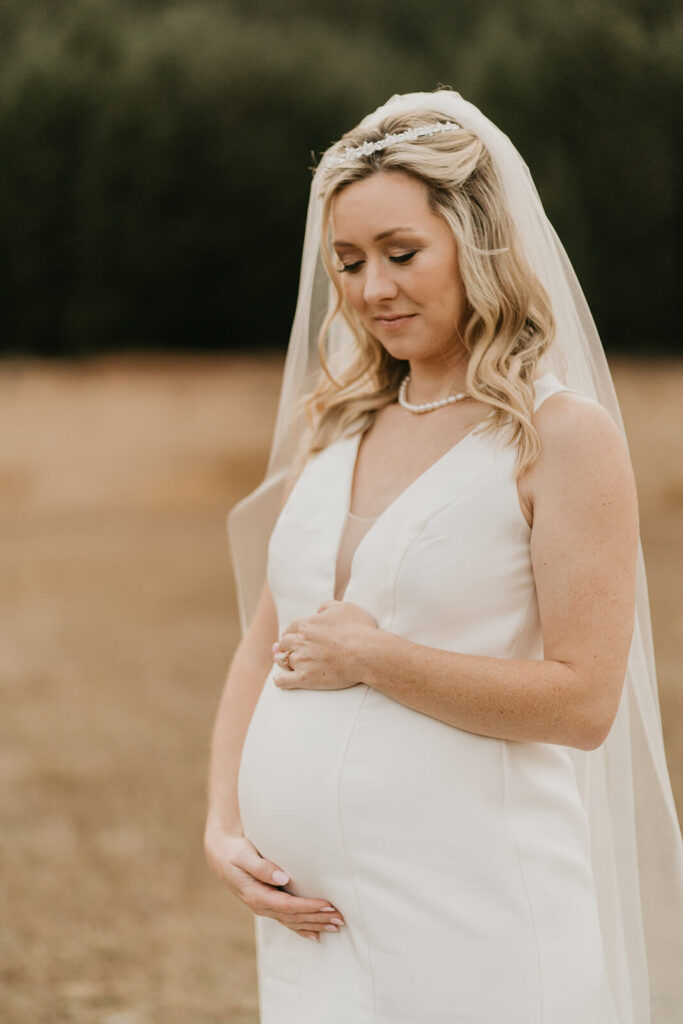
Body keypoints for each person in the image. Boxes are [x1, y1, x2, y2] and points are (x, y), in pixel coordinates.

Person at [204, 89, 683, 1023]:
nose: (371, 288)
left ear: (481, 246)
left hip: (476, 920)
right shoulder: (339, 429)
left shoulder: (559, 438)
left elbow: (584, 701)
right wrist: (224, 825)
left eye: (401, 253)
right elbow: (262, 652)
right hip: (312, 929)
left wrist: (375, 659)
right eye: (348, 261)